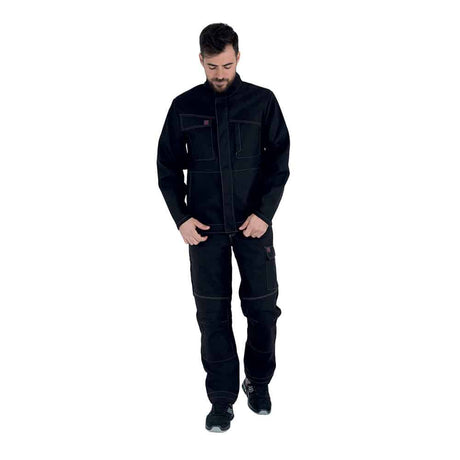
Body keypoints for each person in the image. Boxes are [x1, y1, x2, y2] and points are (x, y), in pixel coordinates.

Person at [157, 23, 290, 432]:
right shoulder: (184, 106)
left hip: (254, 227)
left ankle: (258, 384)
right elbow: (166, 168)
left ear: (238, 58)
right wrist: (181, 218)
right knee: (213, 317)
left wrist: (265, 213)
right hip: (205, 232)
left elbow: (279, 162)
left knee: (263, 311)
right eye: (212, 66)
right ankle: (221, 400)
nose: (220, 74)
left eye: (227, 65)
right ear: (201, 59)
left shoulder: (262, 102)